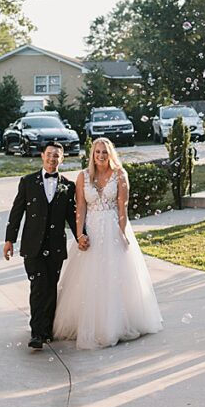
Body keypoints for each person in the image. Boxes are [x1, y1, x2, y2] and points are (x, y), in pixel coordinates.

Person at [53, 138, 163, 349]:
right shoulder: (83, 177)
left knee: (114, 277)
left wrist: (121, 233)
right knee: (89, 278)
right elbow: (81, 208)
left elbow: (123, 207)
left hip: (112, 229)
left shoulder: (120, 175)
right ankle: (88, 324)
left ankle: (115, 325)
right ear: (92, 155)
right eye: (97, 152)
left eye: (104, 152)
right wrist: (79, 235)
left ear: (110, 154)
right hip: (92, 229)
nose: (101, 156)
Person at [3, 142, 85, 350]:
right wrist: (9, 240)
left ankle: (46, 330)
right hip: (32, 246)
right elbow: (17, 212)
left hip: (55, 247)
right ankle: (37, 332)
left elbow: (72, 216)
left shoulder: (68, 186)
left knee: (50, 287)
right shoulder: (28, 182)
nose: (52, 159)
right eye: (49, 155)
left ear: (62, 159)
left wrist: (80, 237)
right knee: (38, 287)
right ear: (42, 156)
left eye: (56, 156)